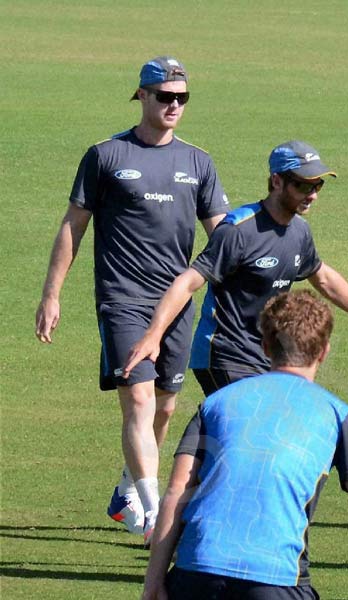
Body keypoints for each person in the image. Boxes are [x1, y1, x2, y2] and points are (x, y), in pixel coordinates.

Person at [34, 56, 230, 542]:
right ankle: (152, 512)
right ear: (141, 95)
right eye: (165, 96)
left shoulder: (198, 162)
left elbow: (222, 236)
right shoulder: (106, 156)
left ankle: (128, 489)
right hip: (122, 300)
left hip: (177, 304)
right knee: (139, 399)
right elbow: (73, 226)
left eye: (182, 98)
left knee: (165, 406)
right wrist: (51, 294)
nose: (174, 105)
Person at [141, 290, 348, 600]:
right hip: (275, 579)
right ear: (324, 351)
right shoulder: (337, 415)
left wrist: (153, 583)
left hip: (194, 573)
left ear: (265, 346)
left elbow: (175, 493)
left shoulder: (215, 403)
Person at [123, 140, 348, 396]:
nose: (312, 194)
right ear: (276, 181)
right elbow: (187, 282)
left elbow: (323, 278)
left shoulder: (299, 232)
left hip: (268, 354)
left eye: (318, 185)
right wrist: (153, 335)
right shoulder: (239, 230)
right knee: (249, 427)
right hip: (225, 353)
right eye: (302, 185)